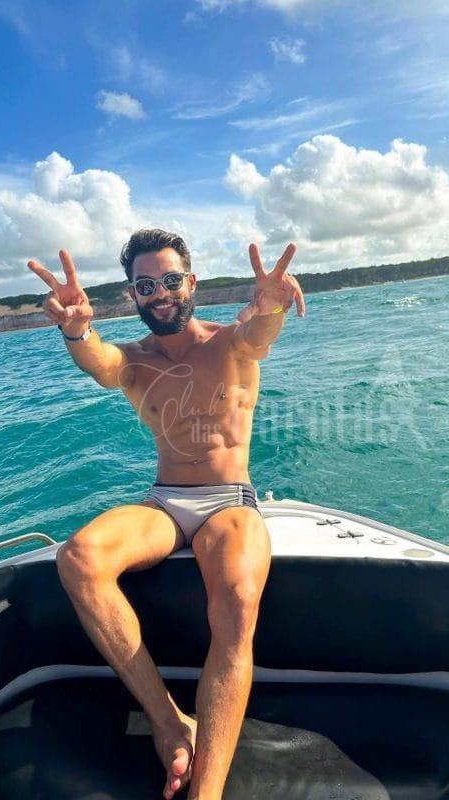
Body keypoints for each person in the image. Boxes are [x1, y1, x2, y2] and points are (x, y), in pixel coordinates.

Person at [27, 229, 305, 800]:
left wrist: (273, 306)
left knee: (237, 599)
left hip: (229, 500)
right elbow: (99, 361)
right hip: (165, 501)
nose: (159, 293)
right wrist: (76, 328)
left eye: (170, 280)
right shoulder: (134, 360)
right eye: (145, 285)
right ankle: (168, 720)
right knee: (78, 558)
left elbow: (259, 335)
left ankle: (206, 792)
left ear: (191, 283)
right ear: (132, 294)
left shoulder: (230, 341)